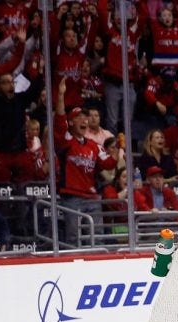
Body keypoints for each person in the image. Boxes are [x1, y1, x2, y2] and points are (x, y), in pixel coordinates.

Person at [54, 77, 118, 246]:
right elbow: (59, 120)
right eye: (79, 117)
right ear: (71, 122)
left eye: (86, 117)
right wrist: (61, 96)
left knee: (97, 237)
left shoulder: (94, 146)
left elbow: (109, 164)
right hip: (71, 196)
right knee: (74, 238)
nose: (84, 120)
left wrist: (118, 150)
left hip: (91, 196)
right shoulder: (66, 140)